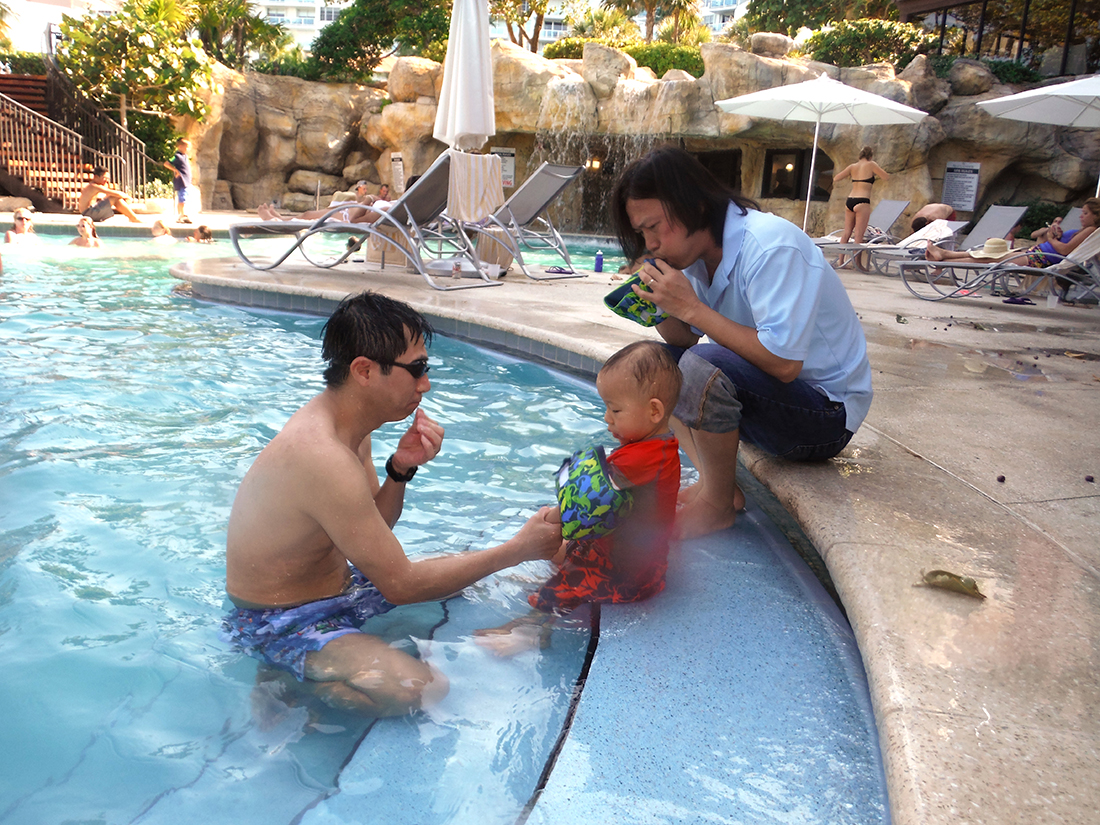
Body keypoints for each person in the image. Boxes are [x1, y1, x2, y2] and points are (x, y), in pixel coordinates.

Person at [222, 291, 562, 716]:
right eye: (416, 369)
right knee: (420, 689)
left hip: (342, 590)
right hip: (280, 620)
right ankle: (294, 680)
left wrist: (400, 470)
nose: (426, 383)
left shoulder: (351, 431)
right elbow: (400, 586)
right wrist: (517, 549)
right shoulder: (321, 455)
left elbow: (373, 526)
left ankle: (323, 668)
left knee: (475, 574)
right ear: (364, 371)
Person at [610, 146, 873, 540]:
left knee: (700, 365)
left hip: (825, 415)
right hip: (773, 397)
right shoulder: (697, 256)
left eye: (653, 228)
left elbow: (784, 364)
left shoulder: (770, 247)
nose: (650, 244)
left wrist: (693, 307)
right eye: (641, 233)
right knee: (654, 368)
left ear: (694, 207)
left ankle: (716, 507)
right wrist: (659, 307)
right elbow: (684, 339)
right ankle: (716, 487)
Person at [475, 341, 682, 655]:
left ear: (654, 410)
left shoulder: (640, 459)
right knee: (562, 551)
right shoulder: (659, 446)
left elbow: (585, 500)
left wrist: (550, 516)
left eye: (615, 410)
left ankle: (530, 631)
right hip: (633, 556)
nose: (606, 418)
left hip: (626, 572)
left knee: (563, 587)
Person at [924, 198, 1098, 267]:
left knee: (991, 258)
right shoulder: (1086, 230)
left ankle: (944, 257)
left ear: (1097, 216)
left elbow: (1064, 251)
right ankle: (944, 255)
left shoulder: (1091, 230)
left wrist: (1052, 239)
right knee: (989, 255)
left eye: (1085, 213)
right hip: (1038, 253)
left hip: (1041, 258)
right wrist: (1058, 235)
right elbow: (1065, 245)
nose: (1081, 216)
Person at [257, 181, 389, 224]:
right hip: (346, 209)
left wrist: (369, 199)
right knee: (307, 214)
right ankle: (279, 218)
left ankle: (274, 220)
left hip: (345, 217)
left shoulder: (387, 210)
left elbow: (355, 220)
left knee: (307, 216)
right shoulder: (392, 204)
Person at [833, 146, 890, 244]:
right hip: (862, 201)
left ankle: (841, 260)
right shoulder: (871, 165)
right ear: (870, 156)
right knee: (859, 235)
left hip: (850, 200)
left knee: (846, 233)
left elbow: (836, 178)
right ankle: (857, 260)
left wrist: (852, 176)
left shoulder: (852, 166)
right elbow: (886, 177)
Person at [78, 167, 142, 224]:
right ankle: (133, 218)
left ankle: (132, 217)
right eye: (105, 178)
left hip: (89, 212)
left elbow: (108, 196)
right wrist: (128, 198)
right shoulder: (94, 186)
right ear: (96, 177)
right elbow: (116, 194)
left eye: (108, 178)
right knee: (115, 197)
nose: (107, 181)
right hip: (89, 213)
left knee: (115, 198)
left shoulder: (93, 185)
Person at [163, 138, 193, 224]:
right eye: (186, 147)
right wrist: (175, 170)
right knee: (182, 199)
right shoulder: (176, 156)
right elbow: (166, 163)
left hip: (186, 181)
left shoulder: (185, 156)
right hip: (181, 181)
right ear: (180, 146)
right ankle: (181, 215)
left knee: (185, 198)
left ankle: (183, 215)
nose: (188, 149)